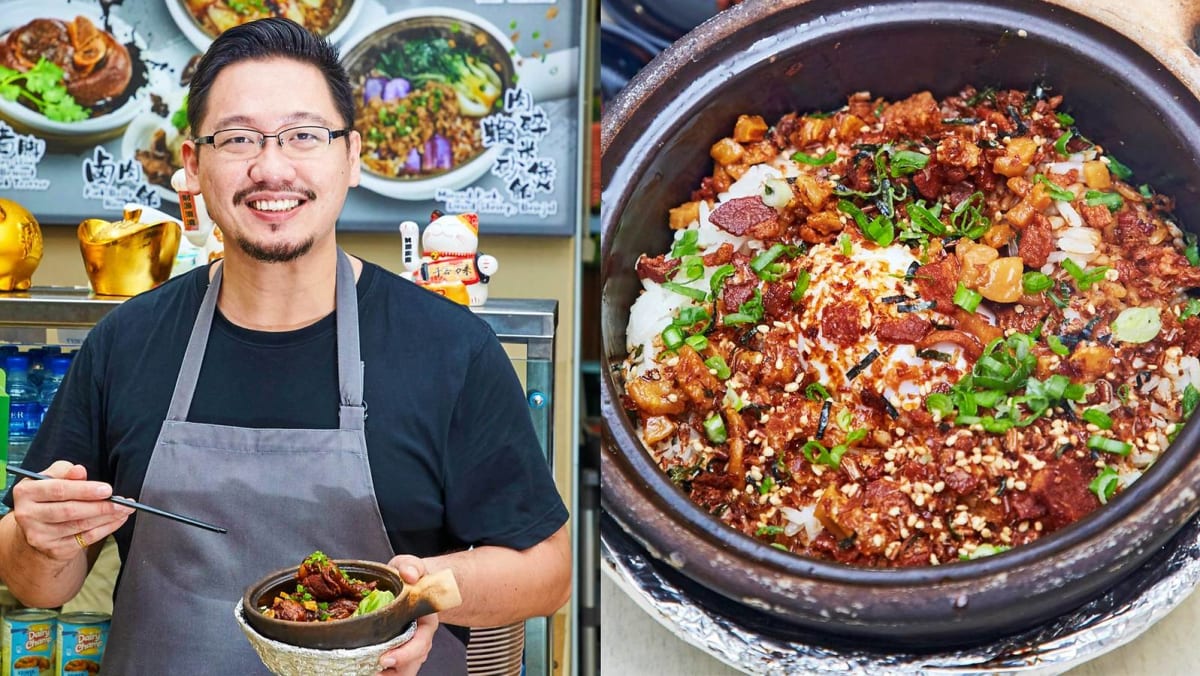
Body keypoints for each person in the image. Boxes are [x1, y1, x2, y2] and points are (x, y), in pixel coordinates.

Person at [0, 17, 570, 675]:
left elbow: (548, 570)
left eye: (304, 135)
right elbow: (42, 586)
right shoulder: (125, 342)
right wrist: (40, 542)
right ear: (193, 165)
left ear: (352, 157)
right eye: (238, 138)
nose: (271, 168)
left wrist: (420, 593)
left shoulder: (450, 348)